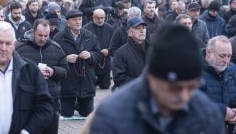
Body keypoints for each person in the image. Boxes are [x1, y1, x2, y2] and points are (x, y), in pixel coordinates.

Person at [89, 25, 225, 134]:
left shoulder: (207, 115)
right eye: (174, 87)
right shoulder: (113, 115)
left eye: (191, 87)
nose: (184, 97)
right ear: (151, 77)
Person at [16, 19, 68, 134]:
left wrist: (53, 71)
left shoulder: (56, 48)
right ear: (33, 31)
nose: (43, 38)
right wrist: (33, 72)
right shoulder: (19, 48)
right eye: (40, 35)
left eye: (46, 35)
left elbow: (65, 70)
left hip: (51, 98)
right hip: (27, 99)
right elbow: (13, 71)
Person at [53, 10, 100, 117]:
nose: (78, 22)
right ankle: (68, 104)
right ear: (68, 23)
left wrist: (90, 55)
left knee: (87, 113)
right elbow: (53, 59)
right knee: (66, 114)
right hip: (68, 83)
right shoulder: (58, 38)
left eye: (80, 19)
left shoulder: (90, 36)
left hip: (86, 82)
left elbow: (98, 55)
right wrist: (65, 59)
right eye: (75, 20)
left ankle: (79, 105)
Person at [201, 36, 236, 133]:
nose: (226, 61)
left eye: (229, 56)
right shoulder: (194, 72)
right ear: (208, 52)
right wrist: (222, 112)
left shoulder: (233, 69)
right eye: (222, 56)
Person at [112, 17, 148, 90]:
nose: (142, 31)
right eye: (138, 28)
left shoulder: (154, 49)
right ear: (130, 32)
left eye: (144, 28)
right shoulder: (120, 53)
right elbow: (119, 79)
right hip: (133, 94)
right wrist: (143, 83)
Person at [83, 9, 114, 89]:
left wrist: (109, 51)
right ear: (93, 17)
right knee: (90, 86)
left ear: (105, 17)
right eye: (98, 18)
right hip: (91, 61)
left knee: (105, 86)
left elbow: (115, 45)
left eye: (102, 18)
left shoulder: (110, 28)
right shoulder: (86, 29)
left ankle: (99, 81)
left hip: (105, 62)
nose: (100, 20)